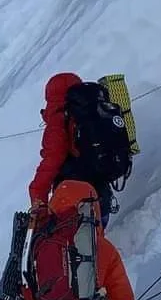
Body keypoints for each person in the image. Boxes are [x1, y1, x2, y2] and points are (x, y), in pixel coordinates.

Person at [28, 72, 132, 229]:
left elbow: (51, 163)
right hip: (102, 196)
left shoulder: (58, 122)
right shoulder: (97, 113)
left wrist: (37, 198)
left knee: (74, 248)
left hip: (74, 202)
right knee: (96, 244)